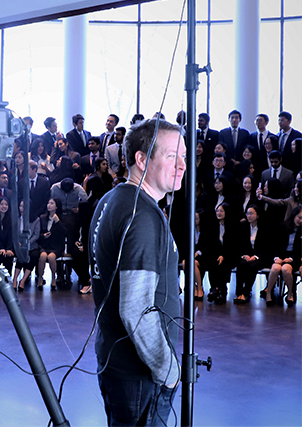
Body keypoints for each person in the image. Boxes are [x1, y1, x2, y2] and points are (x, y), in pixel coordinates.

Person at [89, 119, 185, 425]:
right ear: (141, 159)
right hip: (139, 373)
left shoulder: (112, 200)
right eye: (172, 156)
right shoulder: (142, 216)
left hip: (115, 361)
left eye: (183, 156)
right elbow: (135, 309)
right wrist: (168, 370)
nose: (182, 165)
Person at [265, 206, 302, 306]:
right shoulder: (282, 227)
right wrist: (276, 257)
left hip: (294, 257)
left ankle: (290, 293)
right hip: (280, 255)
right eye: (299, 217)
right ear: (294, 216)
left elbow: (299, 250)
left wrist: (291, 259)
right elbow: (273, 245)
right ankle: (268, 293)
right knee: (275, 268)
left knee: (286, 269)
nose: (301, 220)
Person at [234, 205, 270, 304]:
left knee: (253, 266)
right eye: (247, 213)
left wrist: (256, 257)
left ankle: (246, 292)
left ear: (257, 215)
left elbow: (266, 247)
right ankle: (239, 293)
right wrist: (244, 255)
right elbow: (239, 245)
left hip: (260, 257)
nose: (249, 216)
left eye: (251, 213)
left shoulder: (264, 228)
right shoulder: (243, 228)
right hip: (246, 255)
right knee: (241, 264)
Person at [36, 197, 66, 291]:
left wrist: (58, 222)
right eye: (48, 203)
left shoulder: (61, 218)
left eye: (52, 203)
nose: (49, 205)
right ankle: (40, 277)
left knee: (51, 257)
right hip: (44, 244)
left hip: (56, 245)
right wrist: (43, 236)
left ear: (57, 206)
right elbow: (38, 233)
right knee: (43, 256)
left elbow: (65, 233)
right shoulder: (42, 218)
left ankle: (54, 277)